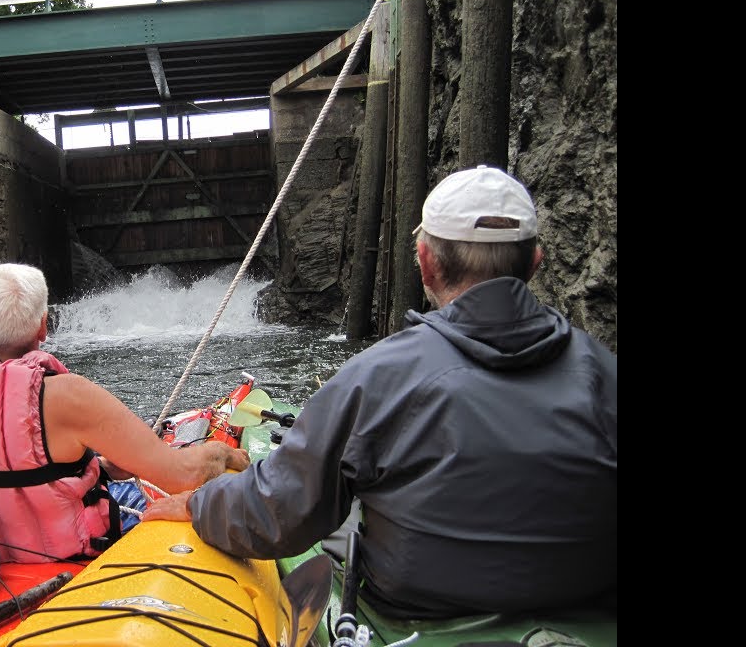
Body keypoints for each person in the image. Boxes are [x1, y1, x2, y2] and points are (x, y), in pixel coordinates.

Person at [144, 165, 617, 619]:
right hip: (585, 605)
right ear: (535, 262)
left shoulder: (377, 375)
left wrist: (199, 503)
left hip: (415, 614)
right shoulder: (604, 372)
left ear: (426, 264)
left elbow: (281, 511)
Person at [0, 262, 250, 564]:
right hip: (62, 563)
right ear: (43, 327)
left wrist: (100, 468)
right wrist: (223, 453)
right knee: (140, 497)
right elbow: (181, 476)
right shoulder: (67, 394)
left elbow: (4, 466)